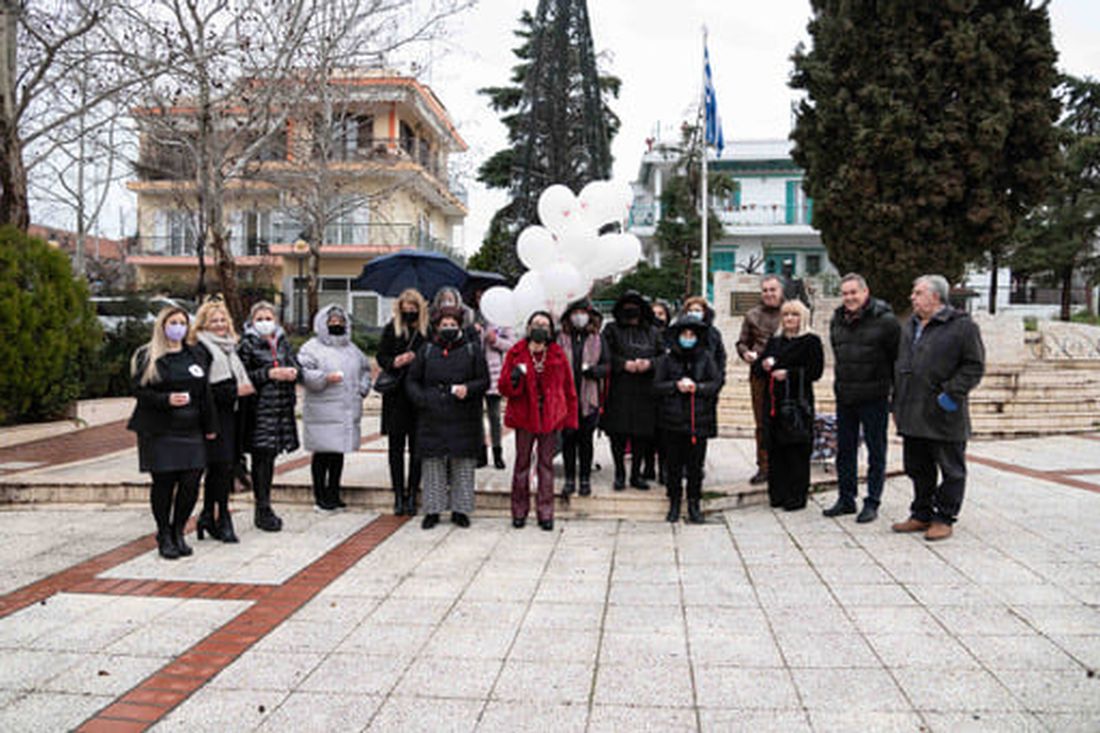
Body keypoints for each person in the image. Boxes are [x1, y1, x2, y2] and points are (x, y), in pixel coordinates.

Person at [891, 275, 985, 542]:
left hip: (944, 412)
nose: (912, 297)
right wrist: (896, 400)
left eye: (918, 292)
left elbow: (974, 366)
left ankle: (944, 517)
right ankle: (921, 513)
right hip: (912, 409)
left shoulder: (962, 327)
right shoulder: (909, 326)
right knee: (917, 467)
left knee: (951, 469)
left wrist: (951, 391)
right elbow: (901, 365)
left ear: (936, 297)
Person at [127, 306, 217, 559]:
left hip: (192, 430)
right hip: (160, 431)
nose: (178, 327)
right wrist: (166, 399)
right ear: (162, 325)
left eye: (182, 322)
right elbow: (140, 390)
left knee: (191, 482)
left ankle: (179, 530)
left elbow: (205, 393)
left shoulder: (196, 354)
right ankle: (164, 533)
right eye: (172, 322)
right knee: (164, 483)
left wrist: (211, 427)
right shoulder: (148, 355)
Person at [824, 273, 901, 524]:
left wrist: (894, 395)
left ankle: (872, 501)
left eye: (853, 292)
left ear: (865, 292)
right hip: (845, 396)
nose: (849, 298)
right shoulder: (837, 319)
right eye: (845, 293)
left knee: (875, 451)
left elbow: (897, 360)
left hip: (874, 396)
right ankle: (846, 498)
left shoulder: (886, 321)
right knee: (844, 451)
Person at [406, 307, 489, 529]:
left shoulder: (472, 350)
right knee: (433, 464)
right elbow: (412, 380)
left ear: (460, 326)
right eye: (445, 325)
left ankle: (460, 510)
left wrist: (468, 389)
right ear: (437, 327)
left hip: (464, 416)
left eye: (453, 324)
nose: (449, 328)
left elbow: (484, 381)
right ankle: (432, 510)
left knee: (463, 464)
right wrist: (422, 399)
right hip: (432, 415)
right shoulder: (427, 350)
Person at [501, 311, 578, 531]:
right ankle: (519, 511)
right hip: (525, 417)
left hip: (550, 419)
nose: (540, 328)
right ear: (528, 328)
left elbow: (568, 388)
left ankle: (545, 513)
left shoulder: (557, 354)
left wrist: (570, 419)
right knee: (522, 464)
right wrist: (514, 379)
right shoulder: (516, 353)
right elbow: (504, 388)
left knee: (546, 466)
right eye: (536, 324)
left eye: (544, 325)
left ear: (551, 330)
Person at [190, 299, 254, 543]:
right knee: (219, 467)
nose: (219, 325)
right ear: (204, 325)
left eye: (222, 320)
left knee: (223, 468)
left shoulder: (230, 347)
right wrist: (234, 392)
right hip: (214, 416)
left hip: (232, 416)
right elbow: (203, 388)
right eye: (213, 321)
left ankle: (208, 515)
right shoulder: (201, 348)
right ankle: (222, 516)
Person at [298, 305, 373, 512]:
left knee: (338, 454)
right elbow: (303, 372)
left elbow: (365, 370)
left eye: (340, 321)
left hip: (345, 409)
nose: (336, 324)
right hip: (322, 409)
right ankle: (320, 496)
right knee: (322, 454)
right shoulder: (310, 348)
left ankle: (334, 493)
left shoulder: (352, 349)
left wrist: (362, 388)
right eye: (332, 321)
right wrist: (324, 378)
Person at [754, 300, 824, 511]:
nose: (789, 319)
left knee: (796, 449)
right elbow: (759, 367)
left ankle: (796, 495)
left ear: (802, 318)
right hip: (774, 402)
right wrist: (763, 364)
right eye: (786, 315)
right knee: (777, 449)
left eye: (794, 315)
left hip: (797, 403)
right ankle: (778, 493)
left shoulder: (811, 341)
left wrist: (790, 374)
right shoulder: (775, 342)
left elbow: (815, 371)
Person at [238, 301, 299, 532]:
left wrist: (293, 372)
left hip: (281, 410)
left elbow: (295, 364)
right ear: (252, 322)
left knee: (270, 459)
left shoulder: (282, 342)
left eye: (269, 318)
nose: (265, 322)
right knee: (261, 459)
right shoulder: (246, 344)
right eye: (260, 318)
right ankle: (262, 507)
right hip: (258, 410)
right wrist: (269, 373)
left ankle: (265, 504)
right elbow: (242, 375)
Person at [654, 321, 720, 524]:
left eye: (692, 335)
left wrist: (697, 387)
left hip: (698, 420)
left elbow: (715, 383)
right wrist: (675, 386)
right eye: (685, 334)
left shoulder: (706, 358)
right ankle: (674, 502)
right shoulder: (667, 359)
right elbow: (657, 386)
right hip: (672, 421)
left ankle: (694, 503)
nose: (688, 338)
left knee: (695, 466)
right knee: (673, 466)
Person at [600, 291, 662, 490]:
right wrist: (623, 364)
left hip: (646, 390)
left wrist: (650, 364)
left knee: (641, 436)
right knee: (617, 434)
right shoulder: (611, 329)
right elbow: (604, 355)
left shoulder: (653, 331)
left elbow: (664, 357)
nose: (631, 310)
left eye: (635, 305)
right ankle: (620, 473)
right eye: (626, 306)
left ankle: (636, 474)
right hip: (620, 389)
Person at [376, 289, 428, 515]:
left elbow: (434, 358)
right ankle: (398, 494)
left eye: (413, 309)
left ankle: (412, 493)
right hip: (396, 396)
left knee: (417, 449)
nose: (409, 312)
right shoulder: (391, 329)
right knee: (395, 448)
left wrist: (417, 360)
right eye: (405, 309)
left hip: (417, 395)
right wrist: (395, 361)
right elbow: (381, 356)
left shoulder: (427, 332)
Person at [736, 275, 785, 485]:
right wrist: (745, 353)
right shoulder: (752, 315)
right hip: (759, 375)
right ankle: (763, 466)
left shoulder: (792, 311)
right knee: (762, 422)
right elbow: (742, 342)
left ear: (781, 291)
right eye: (765, 290)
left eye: (773, 290)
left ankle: (784, 465)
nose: (769, 294)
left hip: (784, 374)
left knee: (784, 421)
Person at [557, 299, 605, 497]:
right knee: (568, 439)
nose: (579, 317)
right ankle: (569, 479)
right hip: (566, 398)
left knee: (586, 440)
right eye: (575, 313)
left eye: (582, 312)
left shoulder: (597, 339)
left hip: (589, 397)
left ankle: (584, 478)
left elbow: (607, 365)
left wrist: (594, 371)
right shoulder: (561, 338)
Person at [642, 299, 673, 484]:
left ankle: (664, 469)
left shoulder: (673, 336)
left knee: (664, 434)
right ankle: (648, 467)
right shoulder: (645, 335)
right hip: (646, 387)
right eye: (654, 314)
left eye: (661, 314)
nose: (658, 317)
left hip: (667, 390)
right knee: (647, 432)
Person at [480, 314, 515, 470]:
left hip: (494, 374)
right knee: (476, 417)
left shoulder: (502, 319)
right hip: (475, 372)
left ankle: (497, 453)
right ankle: (481, 453)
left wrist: (495, 340)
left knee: (494, 416)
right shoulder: (473, 317)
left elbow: (511, 345)